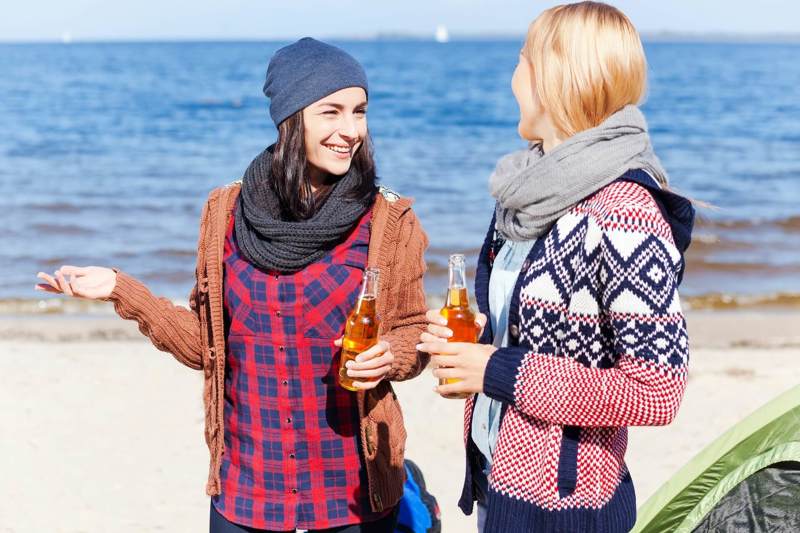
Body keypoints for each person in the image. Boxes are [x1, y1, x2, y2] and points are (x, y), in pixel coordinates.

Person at [36, 37, 429, 533]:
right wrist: (121, 288)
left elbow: (414, 332)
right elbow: (208, 344)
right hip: (246, 494)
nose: (350, 131)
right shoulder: (225, 212)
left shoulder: (388, 222)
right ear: (292, 118)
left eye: (360, 112)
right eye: (331, 112)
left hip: (351, 495)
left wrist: (390, 353)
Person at [416, 3, 696, 532]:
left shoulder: (624, 214)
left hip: (567, 509)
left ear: (557, 78)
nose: (511, 78)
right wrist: (471, 346)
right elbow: (546, 333)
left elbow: (657, 390)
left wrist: (495, 370)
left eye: (521, 61)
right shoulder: (527, 194)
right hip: (497, 480)